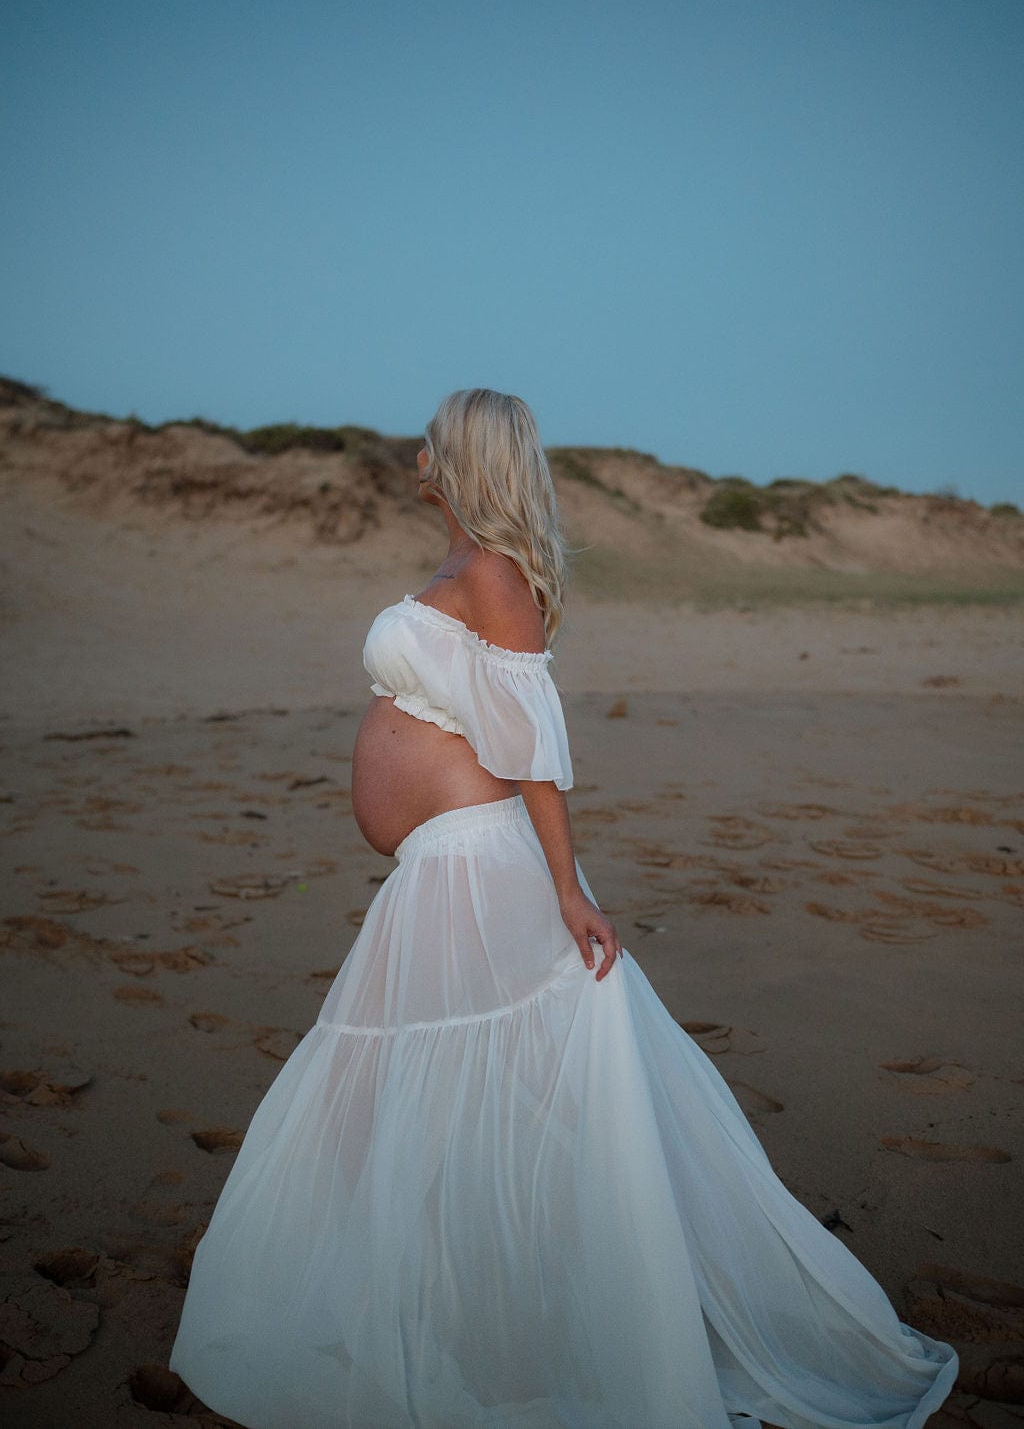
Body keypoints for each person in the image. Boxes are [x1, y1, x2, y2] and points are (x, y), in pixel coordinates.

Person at [169, 389, 958, 1429]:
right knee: (415, 1088)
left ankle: (523, 1327)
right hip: (437, 870)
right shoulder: (460, 573)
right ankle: (450, 1314)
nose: (414, 451)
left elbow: (532, 752)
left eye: (430, 441)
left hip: (478, 866)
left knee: (466, 1086)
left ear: (452, 460)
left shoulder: (494, 576)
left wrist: (567, 886)